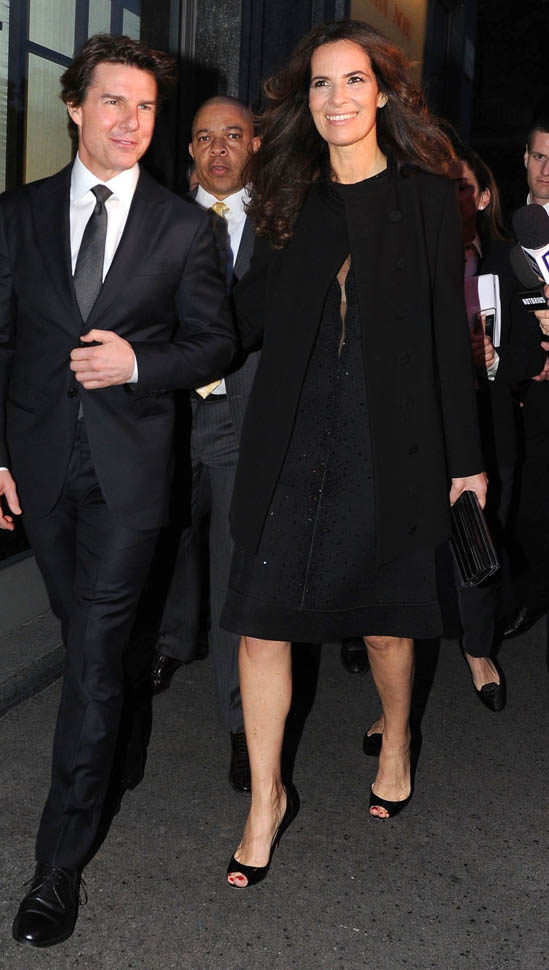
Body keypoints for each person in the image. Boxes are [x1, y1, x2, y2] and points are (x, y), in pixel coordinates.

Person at [0, 33, 236, 946]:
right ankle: (118, 729)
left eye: (147, 106)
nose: (132, 120)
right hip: (40, 469)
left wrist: (138, 364)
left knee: (89, 658)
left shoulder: (183, 227)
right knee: (88, 637)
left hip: (129, 476)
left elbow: (214, 342)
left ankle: (56, 866)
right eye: (114, 100)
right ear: (75, 106)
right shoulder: (20, 212)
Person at [219, 20, 487, 888]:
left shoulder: (426, 198)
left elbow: (447, 340)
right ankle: (266, 799)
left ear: (382, 93)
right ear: (306, 100)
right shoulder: (287, 199)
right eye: (320, 83)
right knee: (260, 626)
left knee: (385, 627)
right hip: (290, 445)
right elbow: (240, 318)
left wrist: (465, 461)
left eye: (353, 80)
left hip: (387, 445)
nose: (336, 97)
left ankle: (396, 733)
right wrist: (153, 345)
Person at [150, 96, 260, 794]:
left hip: (241, 419)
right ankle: (168, 642)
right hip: (166, 417)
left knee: (233, 573)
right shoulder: (156, 220)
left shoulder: (281, 226)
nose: (218, 150)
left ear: (255, 145)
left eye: (232, 136)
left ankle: (243, 724)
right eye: (204, 138)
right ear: (190, 150)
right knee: (164, 543)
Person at [450, 145, 546, 708]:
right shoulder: (413, 256)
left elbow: (533, 354)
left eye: (465, 186)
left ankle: (477, 647)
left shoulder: (510, 262)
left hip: (492, 425)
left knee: (481, 537)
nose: (456, 197)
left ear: (485, 197)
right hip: (423, 426)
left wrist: (492, 359)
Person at [503, 114, 549, 638]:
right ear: (525, 160)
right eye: (539, 156)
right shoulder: (502, 231)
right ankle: (529, 592)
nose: (546, 169)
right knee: (526, 501)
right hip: (519, 389)